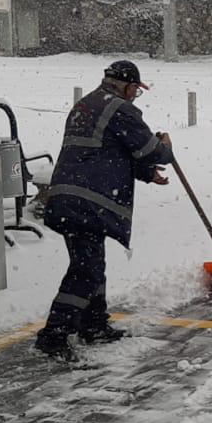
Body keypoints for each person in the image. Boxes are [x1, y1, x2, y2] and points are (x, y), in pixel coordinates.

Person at [35, 60, 176, 362]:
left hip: (67, 198)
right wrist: (165, 147)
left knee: (90, 262)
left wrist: (146, 173)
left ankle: (94, 324)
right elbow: (149, 149)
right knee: (86, 270)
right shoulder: (120, 109)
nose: (134, 96)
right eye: (135, 90)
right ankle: (54, 334)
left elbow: (108, 150)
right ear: (127, 86)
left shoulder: (86, 105)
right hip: (88, 201)